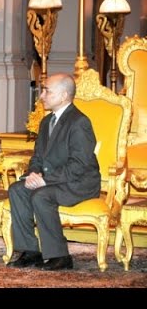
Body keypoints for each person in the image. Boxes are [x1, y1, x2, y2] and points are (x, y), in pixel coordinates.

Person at [7, 73, 100, 271]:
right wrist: (34, 174)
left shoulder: (79, 122)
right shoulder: (46, 121)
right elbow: (38, 157)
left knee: (42, 195)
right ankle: (30, 251)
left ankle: (60, 256)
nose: (41, 95)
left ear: (64, 95)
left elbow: (79, 165)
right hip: (56, 180)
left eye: (47, 91)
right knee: (17, 189)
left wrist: (45, 180)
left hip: (80, 183)